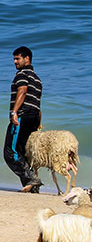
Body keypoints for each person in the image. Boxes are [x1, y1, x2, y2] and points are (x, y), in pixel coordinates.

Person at [3, 46, 43, 193]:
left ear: (27, 59)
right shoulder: (37, 79)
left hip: (22, 116)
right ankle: (32, 188)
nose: (15, 62)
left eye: (17, 58)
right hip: (33, 117)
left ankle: (32, 179)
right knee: (24, 153)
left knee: (10, 152)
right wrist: (38, 123)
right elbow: (38, 103)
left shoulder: (21, 74)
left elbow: (22, 91)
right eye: (14, 59)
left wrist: (14, 112)